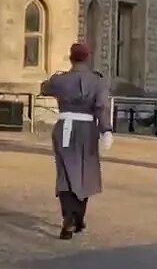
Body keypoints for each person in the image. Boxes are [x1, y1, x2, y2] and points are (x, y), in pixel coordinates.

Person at [39, 43, 114, 240]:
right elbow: (101, 107)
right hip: (88, 129)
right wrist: (106, 130)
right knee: (85, 173)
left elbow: (44, 88)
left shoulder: (61, 79)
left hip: (65, 128)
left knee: (65, 173)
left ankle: (69, 217)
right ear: (87, 58)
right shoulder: (98, 82)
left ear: (71, 58)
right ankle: (77, 216)